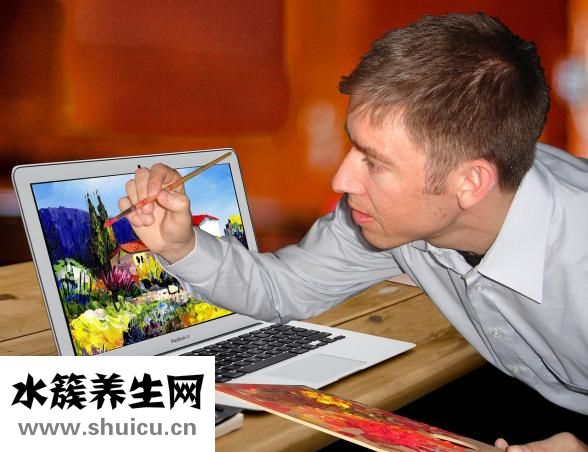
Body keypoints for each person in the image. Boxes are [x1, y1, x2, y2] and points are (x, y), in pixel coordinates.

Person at [120, 13, 588, 451]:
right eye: (353, 147)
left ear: (470, 182)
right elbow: (283, 288)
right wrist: (181, 245)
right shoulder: (397, 218)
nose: (341, 180)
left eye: (375, 163)